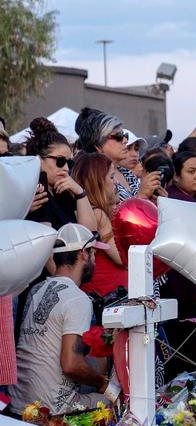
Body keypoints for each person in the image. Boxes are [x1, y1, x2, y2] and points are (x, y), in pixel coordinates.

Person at [9, 224, 112, 414]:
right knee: (114, 401)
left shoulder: (36, 289)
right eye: (94, 253)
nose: (95, 260)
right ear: (83, 254)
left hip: (19, 404)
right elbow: (71, 364)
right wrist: (103, 383)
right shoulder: (78, 299)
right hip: (51, 410)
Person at [25, 117, 97, 232]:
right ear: (39, 159)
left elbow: (90, 230)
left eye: (69, 162)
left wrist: (79, 192)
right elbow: (45, 237)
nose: (66, 168)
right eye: (60, 161)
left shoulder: (62, 190)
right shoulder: (37, 190)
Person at [75, 107, 160, 203]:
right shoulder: (92, 176)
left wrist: (153, 202)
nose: (125, 141)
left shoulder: (126, 172)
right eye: (118, 137)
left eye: (124, 136)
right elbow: (108, 215)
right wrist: (141, 196)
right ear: (98, 144)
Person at [74, 153, 128, 297]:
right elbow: (124, 259)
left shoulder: (97, 212)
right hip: (105, 300)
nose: (117, 182)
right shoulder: (97, 214)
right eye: (111, 177)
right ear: (97, 182)